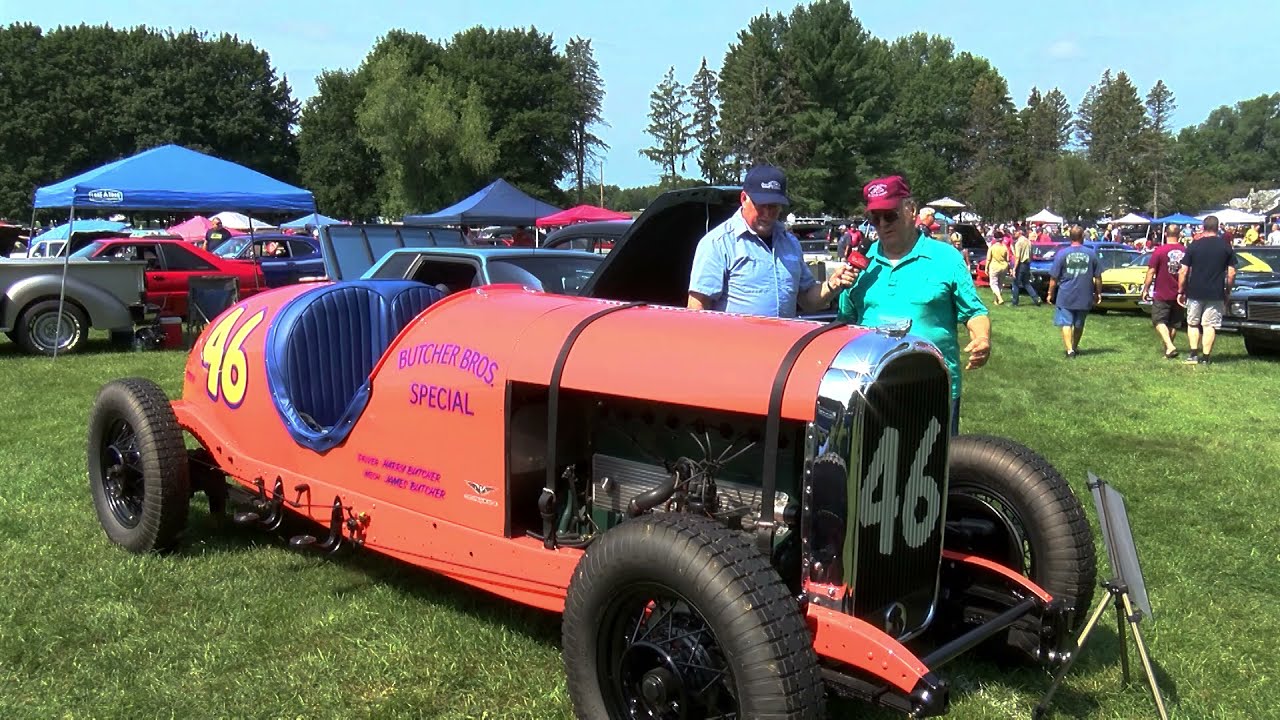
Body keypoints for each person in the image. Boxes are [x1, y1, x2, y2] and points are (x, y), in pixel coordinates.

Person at [835, 175, 990, 435]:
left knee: (931, 470)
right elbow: (845, 322)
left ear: (912, 210)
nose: (882, 225)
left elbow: (975, 311)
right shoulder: (860, 262)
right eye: (875, 218)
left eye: (890, 215)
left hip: (932, 389)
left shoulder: (946, 258)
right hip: (871, 390)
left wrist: (982, 338)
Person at [688, 165, 855, 318]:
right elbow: (697, 307)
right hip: (735, 348)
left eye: (774, 206)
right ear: (744, 198)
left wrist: (833, 284)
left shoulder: (790, 243)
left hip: (786, 347)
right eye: (761, 205)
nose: (767, 213)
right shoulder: (718, 243)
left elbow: (807, 301)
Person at [1177, 215, 1237, 365]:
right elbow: (1231, 273)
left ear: (1203, 227)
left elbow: (1183, 271)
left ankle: (1192, 355)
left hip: (1195, 290)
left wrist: (1180, 290)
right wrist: (1227, 290)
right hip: (1215, 292)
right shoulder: (1226, 247)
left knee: (1192, 323)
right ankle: (1206, 357)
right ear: (1218, 228)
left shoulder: (1194, 246)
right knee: (1209, 325)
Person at [1046, 225, 1101, 358]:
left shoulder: (1062, 254)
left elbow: (1054, 277)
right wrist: (1098, 293)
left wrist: (1050, 293)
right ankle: (1074, 346)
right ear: (1082, 237)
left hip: (1066, 293)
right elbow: (1098, 277)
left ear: (1070, 237)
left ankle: (1069, 350)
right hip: (1085, 294)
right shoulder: (1091, 254)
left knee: (1066, 322)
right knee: (1079, 323)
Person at [1141, 226, 1188, 359]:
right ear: (1179, 235)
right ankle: (1169, 349)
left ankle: (1170, 346)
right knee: (1173, 323)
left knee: (1158, 320)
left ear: (1166, 234)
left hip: (1162, 292)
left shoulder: (1160, 251)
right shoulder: (1185, 251)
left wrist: (1145, 289)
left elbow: (1151, 271)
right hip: (1180, 292)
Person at [1009, 229, 1042, 306]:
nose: (1014, 233)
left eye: (1015, 232)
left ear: (1020, 232)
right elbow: (1031, 255)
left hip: (1020, 264)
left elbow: (1017, 257)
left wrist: (1014, 269)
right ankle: (1036, 298)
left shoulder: (1018, 243)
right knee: (1026, 283)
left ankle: (1015, 302)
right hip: (1027, 264)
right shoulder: (1028, 242)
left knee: (1015, 283)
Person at [985, 237, 1010, 305]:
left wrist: (986, 268)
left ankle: (999, 298)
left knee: (993, 284)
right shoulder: (1005, 248)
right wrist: (1009, 268)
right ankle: (996, 300)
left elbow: (988, 259)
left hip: (994, 266)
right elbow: (1007, 259)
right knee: (1000, 284)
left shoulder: (992, 247)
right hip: (1003, 267)